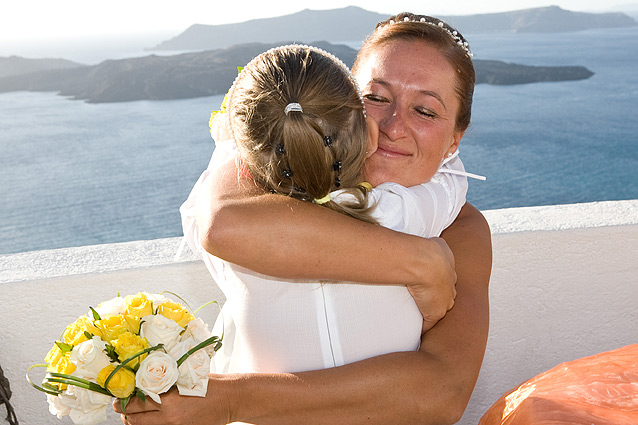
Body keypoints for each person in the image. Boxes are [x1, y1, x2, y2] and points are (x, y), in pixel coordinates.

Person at [116, 12, 492, 425]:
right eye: (377, 98)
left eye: (425, 110)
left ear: (455, 136)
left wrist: (232, 400)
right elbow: (224, 226)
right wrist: (421, 262)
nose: (392, 126)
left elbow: (441, 393)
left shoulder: (461, 228)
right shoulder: (262, 184)